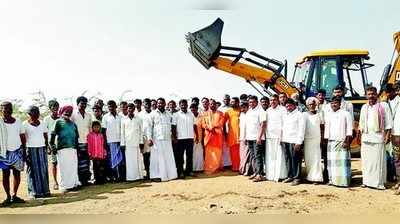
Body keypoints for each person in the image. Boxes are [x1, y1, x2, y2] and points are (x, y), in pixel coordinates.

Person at [359, 86, 392, 190]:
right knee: (366, 161)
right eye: (369, 94)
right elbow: (361, 123)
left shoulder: (383, 105)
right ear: (366, 95)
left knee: (378, 161)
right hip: (366, 137)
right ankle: (366, 181)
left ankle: (378, 183)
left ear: (376, 94)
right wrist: (359, 136)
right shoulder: (364, 107)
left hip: (378, 137)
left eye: (373, 94)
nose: (371, 96)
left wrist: (387, 136)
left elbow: (389, 122)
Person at [0, 102, 26, 206]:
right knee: (5, 175)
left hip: (17, 151)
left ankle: (15, 195)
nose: (7, 110)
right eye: (4, 109)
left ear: (12, 109)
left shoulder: (18, 122)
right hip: (3, 152)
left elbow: (22, 137)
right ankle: (7, 197)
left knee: (17, 174)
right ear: (1, 110)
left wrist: (24, 151)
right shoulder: (0, 122)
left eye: (9, 108)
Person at [50, 105, 81, 192]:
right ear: (62, 112)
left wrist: (77, 149)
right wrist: (52, 147)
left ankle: (73, 184)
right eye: (66, 112)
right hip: (62, 149)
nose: (68, 113)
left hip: (73, 149)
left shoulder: (73, 124)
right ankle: (64, 186)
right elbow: (52, 136)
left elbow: (76, 138)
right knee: (63, 168)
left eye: (70, 112)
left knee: (72, 168)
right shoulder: (58, 122)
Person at [324, 96, 353, 187]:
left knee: (342, 163)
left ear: (340, 104)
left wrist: (347, 141)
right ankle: (332, 180)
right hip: (331, 141)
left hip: (342, 141)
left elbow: (349, 129)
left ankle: (343, 182)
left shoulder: (345, 113)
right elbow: (327, 128)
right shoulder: (328, 114)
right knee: (332, 163)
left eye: (336, 103)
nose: (334, 105)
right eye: (332, 103)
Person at [147, 98, 177, 181]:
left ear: (165, 104)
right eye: (158, 103)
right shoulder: (152, 114)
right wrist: (149, 138)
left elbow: (172, 127)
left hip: (167, 139)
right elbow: (149, 127)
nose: (160, 104)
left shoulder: (169, 114)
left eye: (161, 103)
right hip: (156, 139)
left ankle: (170, 175)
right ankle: (156, 176)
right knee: (156, 159)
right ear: (156, 104)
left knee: (168, 157)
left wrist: (173, 137)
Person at [23, 106, 50, 198]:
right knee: (32, 171)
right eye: (33, 113)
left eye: (37, 113)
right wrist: (24, 152)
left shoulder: (42, 123)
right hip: (30, 149)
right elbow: (23, 138)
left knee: (43, 169)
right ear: (29, 114)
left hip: (42, 148)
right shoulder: (25, 124)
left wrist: (47, 146)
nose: (36, 115)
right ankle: (34, 192)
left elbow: (45, 135)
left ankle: (45, 191)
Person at [281, 98, 305, 186]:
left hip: (295, 141)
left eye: (290, 105)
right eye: (286, 106)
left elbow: (301, 130)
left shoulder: (299, 115)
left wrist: (299, 142)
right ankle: (290, 176)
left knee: (296, 160)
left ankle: (297, 178)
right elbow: (283, 128)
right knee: (288, 159)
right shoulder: (285, 115)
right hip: (285, 140)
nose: (288, 107)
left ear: (294, 105)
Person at [265, 95, 287, 182]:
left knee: (279, 157)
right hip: (269, 137)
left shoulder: (283, 109)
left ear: (278, 101)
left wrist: (282, 136)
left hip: (279, 137)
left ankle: (280, 176)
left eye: (274, 100)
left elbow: (284, 124)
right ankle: (270, 176)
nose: (272, 102)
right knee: (270, 157)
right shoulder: (268, 110)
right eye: (271, 100)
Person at [244, 95, 266, 182]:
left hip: (257, 138)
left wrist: (259, 137)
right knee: (253, 156)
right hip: (250, 137)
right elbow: (248, 125)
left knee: (258, 156)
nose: (251, 103)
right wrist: (246, 137)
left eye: (253, 102)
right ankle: (256, 173)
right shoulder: (249, 111)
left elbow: (263, 124)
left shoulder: (261, 111)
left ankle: (260, 174)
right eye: (250, 102)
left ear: (257, 102)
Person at [71, 96, 92, 186]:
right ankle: (79, 180)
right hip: (77, 142)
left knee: (86, 162)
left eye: (85, 103)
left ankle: (86, 180)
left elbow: (90, 129)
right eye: (81, 103)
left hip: (87, 142)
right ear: (77, 104)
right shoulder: (73, 115)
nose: (83, 105)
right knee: (79, 161)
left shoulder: (89, 115)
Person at [121, 103, 144, 181]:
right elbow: (122, 132)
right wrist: (122, 144)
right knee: (129, 161)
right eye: (128, 108)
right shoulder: (123, 120)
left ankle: (139, 176)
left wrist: (141, 142)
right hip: (128, 143)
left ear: (134, 109)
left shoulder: (139, 119)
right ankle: (131, 177)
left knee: (138, 160)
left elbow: (141, 131)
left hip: (137, 142)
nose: (130, 110)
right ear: (126, 109)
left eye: (132, 108)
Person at [303, 97, 324, 183]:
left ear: (316, 105)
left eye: (313, 104)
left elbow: (322, 127)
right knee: (308, 158)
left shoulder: (320, 114)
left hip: (316, 139)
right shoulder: (304, 114)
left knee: (316, 158)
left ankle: (316, 177)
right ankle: (309, 176)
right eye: (310, 104)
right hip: (307, 139)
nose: (312, 106)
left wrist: (322, 138)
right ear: (307, 105)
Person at [102, 100, 124, 182]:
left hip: (120, 140)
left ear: (115, 106)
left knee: (120, 159)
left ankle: (121, 176)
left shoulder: (120, 117)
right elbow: (103, 130)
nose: (111, 108)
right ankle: (114, 177)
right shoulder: (105, 117)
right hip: (111, 141)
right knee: (113, 160)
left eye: (112, 106)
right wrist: (104, 142)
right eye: (109, 106)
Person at [173, 99, 196, 178]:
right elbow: (173, 127)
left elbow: (194, 125)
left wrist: (196, 135)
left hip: (190, 137)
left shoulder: (191, 114)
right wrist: (175, 137)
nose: (183, 106)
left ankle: (189, 171)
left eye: (185, 104)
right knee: (180, 157)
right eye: (181, 105)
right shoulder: (176, 115)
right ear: (179, 106)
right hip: (180, 139)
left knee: (189, 156)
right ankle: (180, 172)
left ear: (187, 105)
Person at [201, 99, 225, 174]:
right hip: (208, 135)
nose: (212, 105)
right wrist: (209, 128)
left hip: (217, 134)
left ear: (216, 105)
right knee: (209, 153)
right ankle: (209, 168)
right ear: (209, 105)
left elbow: (221, 122)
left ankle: (217, 167)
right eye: (211, 104)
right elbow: (203, 123)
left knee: (218, 152)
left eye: (213, 104)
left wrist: (213, 127)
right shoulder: (205, 114)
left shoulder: (221, 113)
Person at [43, 100, 60, 190]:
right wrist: (48, 147)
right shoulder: (46, 119)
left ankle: (62, 181)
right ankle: (55, 182)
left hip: (61, 143)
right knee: (54, 163)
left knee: (62, 163)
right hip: (52, 144)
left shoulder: (60, 118)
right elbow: (45, 133)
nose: (55, 109)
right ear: (50, 108)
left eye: (57, 107)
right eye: (53, 107)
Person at [316, 89, 329, 182]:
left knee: (325, 154)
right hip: (315, 131)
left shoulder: (328, 106)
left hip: (324, 130)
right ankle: (317, 174)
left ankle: (326, 175)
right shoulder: (313, 105)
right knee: (317, 154)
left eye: (322, 95)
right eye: (319, 95)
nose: (320, 96)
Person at [224, 97, 241, 171]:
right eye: (231, 102)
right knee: (233, 153)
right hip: (232, 135)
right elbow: (223, 123)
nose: (231, 103)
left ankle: (241, 167)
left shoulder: (242, 110)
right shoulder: (228, 112)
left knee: (241, 152)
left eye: (233, 102)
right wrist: (225, 133)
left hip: (241, 135)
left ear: (237, 102)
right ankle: (235, 167)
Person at [138, 98, 153, 180]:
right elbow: (139, 128)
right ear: (143, 105)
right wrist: (140, 141)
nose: (147, 105)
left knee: (153, 156)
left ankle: (154, 172)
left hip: (154, 138)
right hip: (144, 138)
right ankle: (147, 172)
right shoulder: (140, 115)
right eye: (145, 103)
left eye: (148, 103)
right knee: (146, 156)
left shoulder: (154, 113)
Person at [239, 101, 254, 176]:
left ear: (247, 107)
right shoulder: (241, 115)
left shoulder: (249, 114)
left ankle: (247, 171)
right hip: (241, 137)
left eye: (244, 107)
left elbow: (248, 127)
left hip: (247, 137)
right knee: (242, 155)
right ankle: (242, 169)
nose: (242, 109)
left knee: (247, 156)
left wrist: (245, 137)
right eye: (241, 107)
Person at [219, 94, 232, 169]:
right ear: (223, 100)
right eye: (225, 99)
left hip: (231, 129)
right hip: (222, 130)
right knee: (223, 147)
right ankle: (224, 164)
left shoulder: (231, 108)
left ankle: (230, 163)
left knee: (229, 147)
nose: (226, 100)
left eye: (227, 99)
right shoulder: (220, 109)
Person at [190, 103, 204, 172]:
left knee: (199, 153)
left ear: (197, 109)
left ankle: (199, 168)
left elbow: (203, 127)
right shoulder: (189, 116)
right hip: (190, 137)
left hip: (199, 137)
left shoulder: (201, 116)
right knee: (192, 153)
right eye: (192, 110)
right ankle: (192, 168)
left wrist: (201, 138)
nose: (193, 111)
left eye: (194, 109)